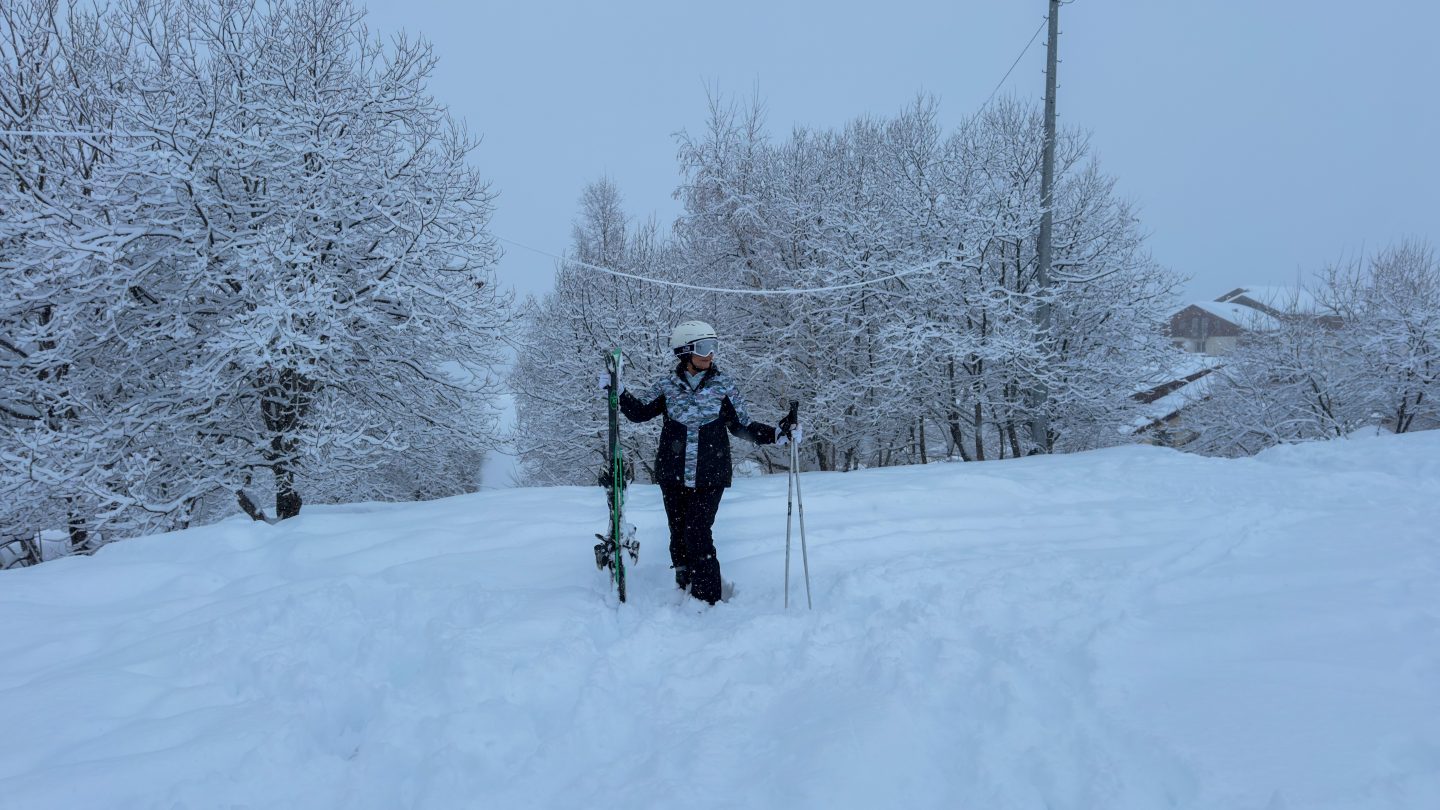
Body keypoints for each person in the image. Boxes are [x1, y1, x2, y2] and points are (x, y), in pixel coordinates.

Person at [608, 321, 799, 605]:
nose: (710, 355)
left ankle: (706, 599)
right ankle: (684, 580)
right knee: (679, 531)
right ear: (685, 353)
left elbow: (742, 425)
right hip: (673, 474)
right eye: (704, 349)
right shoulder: (667, 386)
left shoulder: (723, 386)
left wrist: (776, 434)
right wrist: (619, 391)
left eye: (714, 348)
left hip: (710, 474)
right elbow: (640, 412)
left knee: (697, 532)